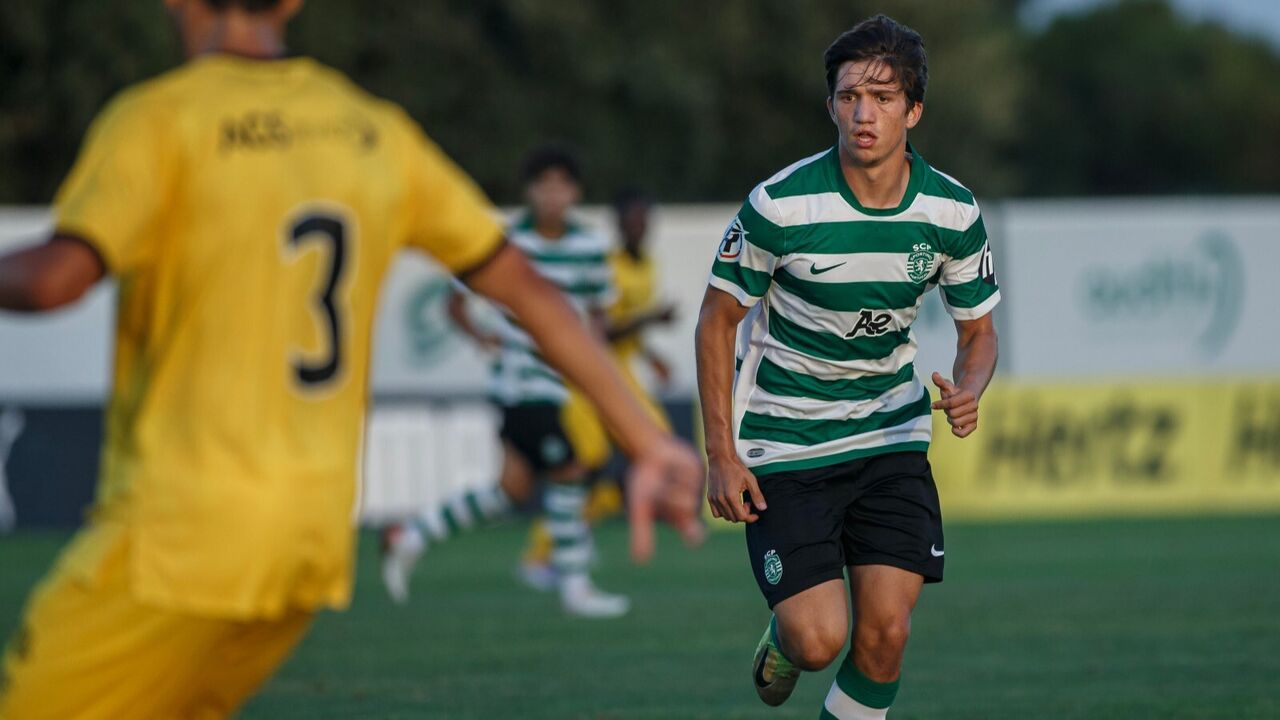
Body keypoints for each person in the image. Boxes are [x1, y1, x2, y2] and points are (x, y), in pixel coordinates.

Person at [0, 1, 702, 717]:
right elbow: (529, 291)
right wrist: (648, 442)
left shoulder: (161, 118)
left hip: (178, 536)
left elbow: (56, 278)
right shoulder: (373, 131)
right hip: (309, 543)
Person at [695, 15, 1000, 719]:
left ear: (914, 109)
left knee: (886, 633)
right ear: (830, 104)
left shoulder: (952, 212)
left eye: (884, 97)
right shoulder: (781, 204)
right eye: (849, 96)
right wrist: (720, 452)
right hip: (788, 440)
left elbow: (978, 332)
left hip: (891, 436)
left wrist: (971, 388)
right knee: (817, 639)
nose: (864, 113)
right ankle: (782, 639)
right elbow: (717, 320)